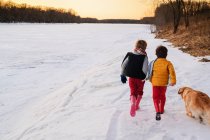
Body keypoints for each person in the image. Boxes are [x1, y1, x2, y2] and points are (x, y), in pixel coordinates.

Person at [147, 45, 176, 121]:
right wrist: (173, 81)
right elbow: (172, 72)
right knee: (162, 96)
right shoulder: (168, 63)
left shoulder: (154, 62)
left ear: (156, 54)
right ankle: (162, 109)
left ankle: (157, 110)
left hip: (155, 83)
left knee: (155, 97)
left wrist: (149, 78)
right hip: (164, 84)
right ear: (166, 54)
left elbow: (149, 70)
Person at [121, 40, 148, 117]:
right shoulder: (144, 57)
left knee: (133, 91)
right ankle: (136, 105)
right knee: (140, 91)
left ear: (136, 46)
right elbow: (145, 69)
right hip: (140, 79)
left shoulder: (130, 54)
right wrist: (144, 77)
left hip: (131, 78)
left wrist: (122, 74)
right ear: (144, 48)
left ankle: (132, 102)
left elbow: (123, 65)